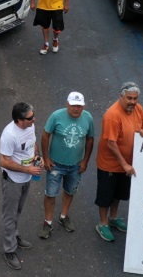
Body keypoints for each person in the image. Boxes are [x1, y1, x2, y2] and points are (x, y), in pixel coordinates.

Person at [94, 82, 143, 242]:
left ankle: (114, 217)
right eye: (129, 98)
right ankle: (103, 223)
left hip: (129, 164)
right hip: (110, 165)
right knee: (105, 195)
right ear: (121, 96)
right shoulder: (113, 115)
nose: (132, 102)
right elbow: (111, 143)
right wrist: (124, 164)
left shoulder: (138, 109)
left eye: (135, 98)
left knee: (119, 194)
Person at [38, 91, 95, 239]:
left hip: (76, 165)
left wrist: (85, 161)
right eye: (73, 105)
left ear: (84, 106)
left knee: (70, 191)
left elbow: (90, 139)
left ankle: (64, 216)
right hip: (56, 164)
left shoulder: (88, 118)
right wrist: (47, 158)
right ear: (67, 104)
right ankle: (47, 222)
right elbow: (45, 135)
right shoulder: (56, 116)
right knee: (50, 194)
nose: (76, 109)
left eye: (79, 106)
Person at [0, 102, 42, 270]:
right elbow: (3, 161)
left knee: (18, 210)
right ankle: (9, 250)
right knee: (9, 215)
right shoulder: (9, 135)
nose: (34, 119)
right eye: (30, 118)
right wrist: (27, 169)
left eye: (33, 116)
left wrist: (38, 156)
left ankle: (14, 236)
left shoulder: (29, 127)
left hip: (26, 176)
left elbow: (33, 144)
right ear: (19, 120)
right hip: (13, 180)